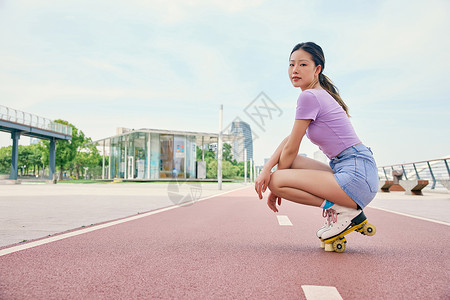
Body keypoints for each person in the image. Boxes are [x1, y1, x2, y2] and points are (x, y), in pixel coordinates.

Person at [254, 42, 379, 246]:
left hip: (356, 176)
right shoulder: (317, 95)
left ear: (317, 69)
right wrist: (267, 168)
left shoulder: (309, 96)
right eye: (291, 64)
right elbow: (290, 140)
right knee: (286, 167)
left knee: (277, 180)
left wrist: (275, 188)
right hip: (356, 170)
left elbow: (291, 148)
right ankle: (344, 208)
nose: (295, 70)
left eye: (303, 65)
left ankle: (342, 210)